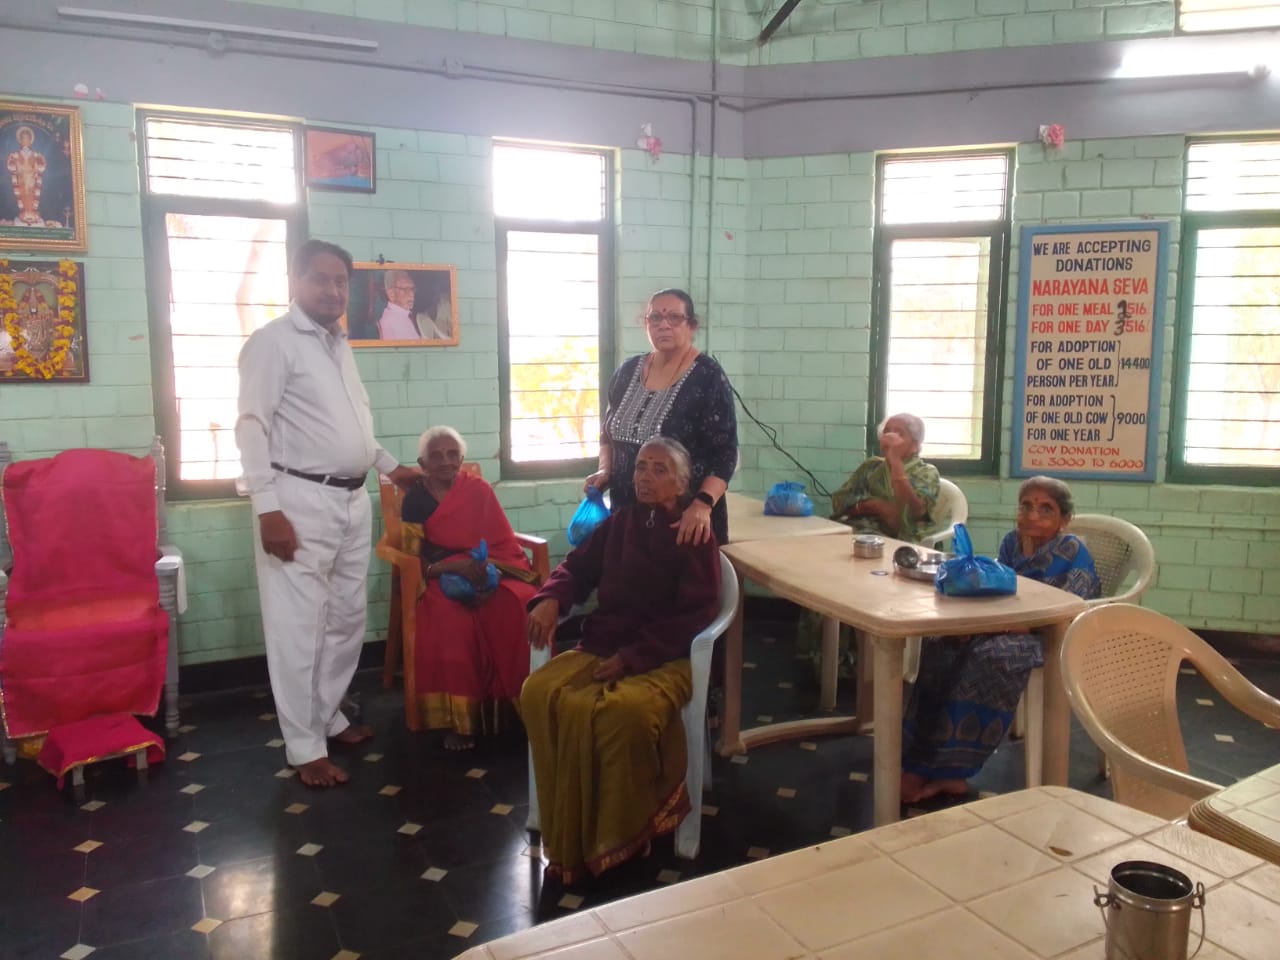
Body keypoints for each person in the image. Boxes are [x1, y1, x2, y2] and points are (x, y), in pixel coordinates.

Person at [235, 238, 422, 788]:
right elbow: (251, 427)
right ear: (295, 282)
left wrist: (391, 467)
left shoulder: (338, 342)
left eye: (340, 281)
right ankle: (302, 745)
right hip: (296, 502)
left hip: (350, 499)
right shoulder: (273, 343)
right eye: (319, 279)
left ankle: (328, 714)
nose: (332, 289)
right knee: (298, 628)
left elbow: (348, 428)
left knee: (344, 620)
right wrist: (267, 508)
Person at [522, 437, 721, 884]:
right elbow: (576, 566)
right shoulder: (622, 523)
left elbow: (697, 613)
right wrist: (552, 597)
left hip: (664, 656)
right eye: (642, 468)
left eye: (660, 470)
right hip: (602, 643)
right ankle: (566, 822)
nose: (647, 478)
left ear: (683, 482)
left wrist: (634, 658)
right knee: (539, 692)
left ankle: (619, 836)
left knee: (622, 714)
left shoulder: (693, 534)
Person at [901, 475, 1101, 803]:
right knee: (941, 639)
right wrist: (977, 622)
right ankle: (919, 759)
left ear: (1064, 519)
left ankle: (950, 771)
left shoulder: (1071, 550)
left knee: (991, 657)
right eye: (1026, 506)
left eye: (1046, 509)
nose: (1032, 515)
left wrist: (1005, 627)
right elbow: (998, 590)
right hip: (1007, 623)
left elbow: (1070, 610)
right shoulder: (1012, 542)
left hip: (1051, 636)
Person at [400, 426, 539, 750]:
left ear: (462, 459)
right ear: (423, 463)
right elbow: (412, 558)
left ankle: (526, 708)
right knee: (453, 617)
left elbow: (501, 539)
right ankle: (462, 723)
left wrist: (484, 569)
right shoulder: (415, 500)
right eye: (436, 456)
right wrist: (453, 568)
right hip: (438, 575)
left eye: (452, 455)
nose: (445, 462)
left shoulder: (477, 489)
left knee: (521, 601)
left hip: (489, 565)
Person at [588, 289, 737, 546]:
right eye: (655, 318)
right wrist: (605, 469)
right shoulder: (627, 371)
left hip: (684, 521)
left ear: (692, 326)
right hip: (628, 516)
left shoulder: (708, 376)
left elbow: (725, 454)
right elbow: (608, 432)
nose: (663, 325)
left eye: (675, 318)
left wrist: (703, 504)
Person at [830, 413, 939, 542]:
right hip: (860, 533)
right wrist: (872, 506)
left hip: (904, 544)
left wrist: (895, 461)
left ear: (915, 446)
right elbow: (839, 501)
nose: (889, 436)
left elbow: (917, 512)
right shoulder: (871, 466)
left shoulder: (927, 472)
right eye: (886, 431)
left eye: (899, 433)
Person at [7, 126, 47, 226]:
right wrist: (15, 168)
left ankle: (32, 213)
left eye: (27, 138)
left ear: (31, 141)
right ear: (20, 141)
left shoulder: (35, 154)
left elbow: (43, 163)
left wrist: (36, 169)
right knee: (23, 195)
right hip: (21, 180)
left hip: (32, 180)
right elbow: (10, 164)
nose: (25, 140)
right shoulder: (15, 155)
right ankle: (24, 213)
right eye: (23, 138)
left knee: (31, 196)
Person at [377, 269, 423, 340]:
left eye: (412, 289)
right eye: (406, 290)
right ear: (391, 294)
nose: (412, 294)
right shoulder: (392, 320)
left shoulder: (402, 315)